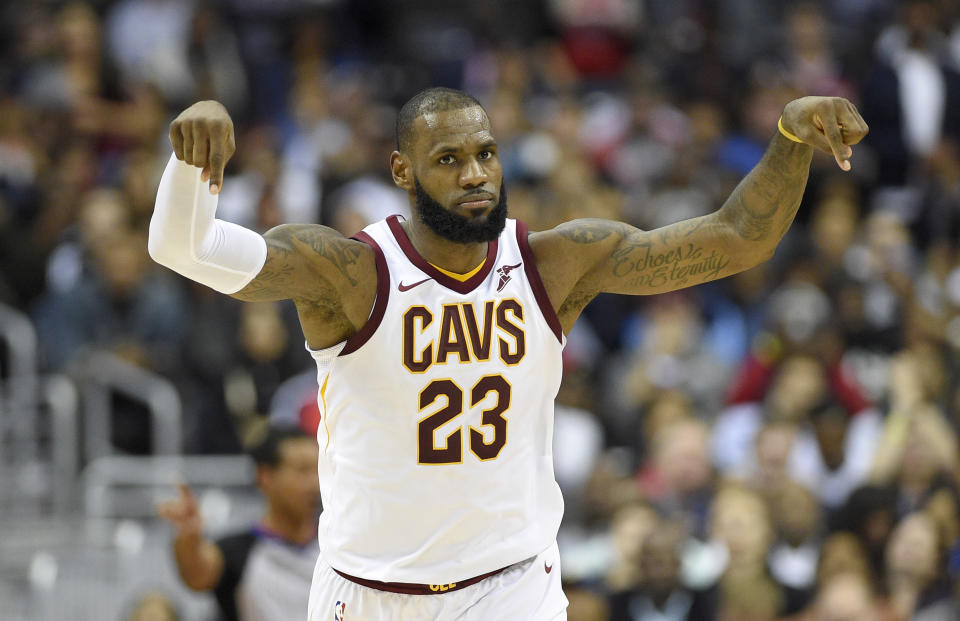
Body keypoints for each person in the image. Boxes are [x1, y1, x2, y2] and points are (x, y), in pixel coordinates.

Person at [148, 87, 868, 620]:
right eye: (449, 158)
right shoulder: (350, 271)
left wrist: (788, 137)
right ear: (403, 170)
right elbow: (181, 247)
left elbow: (737, 236)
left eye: (486, 153)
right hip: (367, 591)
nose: (474, 174)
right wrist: (189, 161)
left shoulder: (557, 263)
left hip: (509, 585)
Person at [157, 426, 320, 621]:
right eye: (302, 471)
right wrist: (188, 537)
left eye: (318, 470)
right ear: (265, 476)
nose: (314, 483)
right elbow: (197, 575)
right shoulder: (238, 552)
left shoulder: (336, 547)